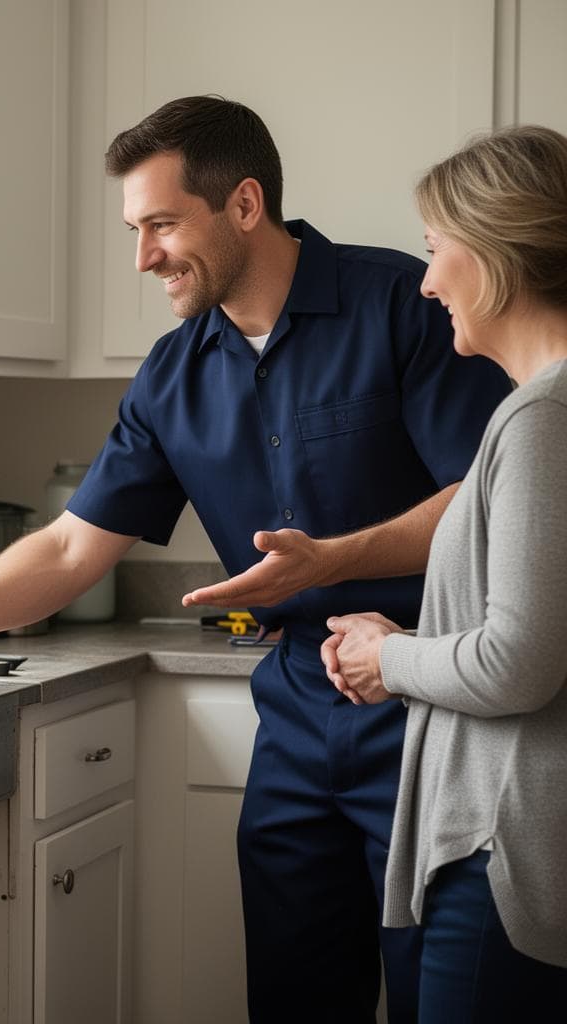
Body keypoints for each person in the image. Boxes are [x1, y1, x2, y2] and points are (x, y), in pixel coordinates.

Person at [0, 96, 511, 1021]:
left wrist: (330, 560)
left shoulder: (402, 305)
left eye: (162, 224)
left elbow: (486, 494)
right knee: (292, 997)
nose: (143, 257)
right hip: (293, 713)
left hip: (425, 703)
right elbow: (71, 544)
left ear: (245, 205)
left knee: (430, 994)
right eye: (135, 229)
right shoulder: (172, 373)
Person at [322, 125, 567, 1022]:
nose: (425, 283)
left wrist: (387, 659)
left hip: (505, 852)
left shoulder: (542, 419)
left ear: (496, 247)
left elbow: (518, 662)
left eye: (435, 251)